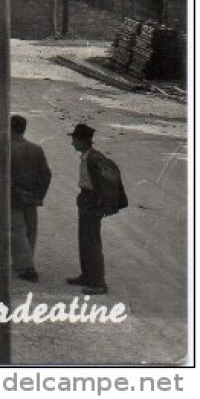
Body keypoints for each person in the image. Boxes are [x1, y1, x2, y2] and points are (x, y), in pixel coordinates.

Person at [69, 122, 124, 294]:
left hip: (92, 202)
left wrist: (101, 205)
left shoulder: (94, 160)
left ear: (83, 141)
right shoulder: (89, 157)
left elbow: (104, 185)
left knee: (92, 242)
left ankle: (98, 283)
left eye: (75, 140)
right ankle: (87, 276)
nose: (72, 144)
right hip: (86, 200)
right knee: (85, 240)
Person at [9, 114, 52, 282]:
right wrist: (38, 195)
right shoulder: (36, 149)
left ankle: (26, 266)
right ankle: (26, 260)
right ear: (24, 129)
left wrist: (20, 193)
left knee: (17, 229)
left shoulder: (7, 148)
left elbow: (5, 177)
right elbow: (46, 174)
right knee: (30, 230)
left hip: (15, 196)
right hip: (32, 197)